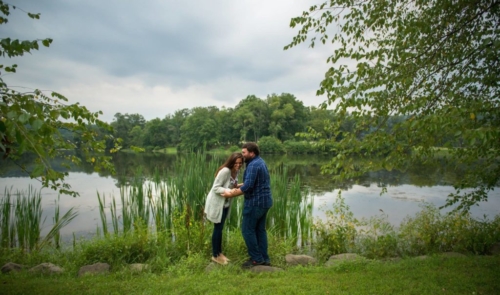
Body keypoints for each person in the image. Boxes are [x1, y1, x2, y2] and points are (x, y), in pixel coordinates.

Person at [222, 142, 273, 268]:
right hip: (265, 202)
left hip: (255, 203)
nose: (242, 155)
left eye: (244, 152)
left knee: (247, 230)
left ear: (252, 153)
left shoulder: (253, 165)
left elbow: (249, 186)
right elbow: (256, 182)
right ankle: (264, 258)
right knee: (260, 230)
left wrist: (230, 194)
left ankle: (256, 259)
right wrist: (239, 185)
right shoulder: (260, 162)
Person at [204, 152, 244, 265]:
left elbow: (232, 185)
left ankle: (219, 254)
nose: (238, 165)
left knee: (220, 228)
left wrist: (243, 185)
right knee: (217, 228)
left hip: (225, 204)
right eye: (236, 163)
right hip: (217, 204)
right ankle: (215, 255)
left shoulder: (236, 171)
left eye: (240, 163)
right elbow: (215, 188)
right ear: (232, 162)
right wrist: (228, 191)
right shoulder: (225, 171)